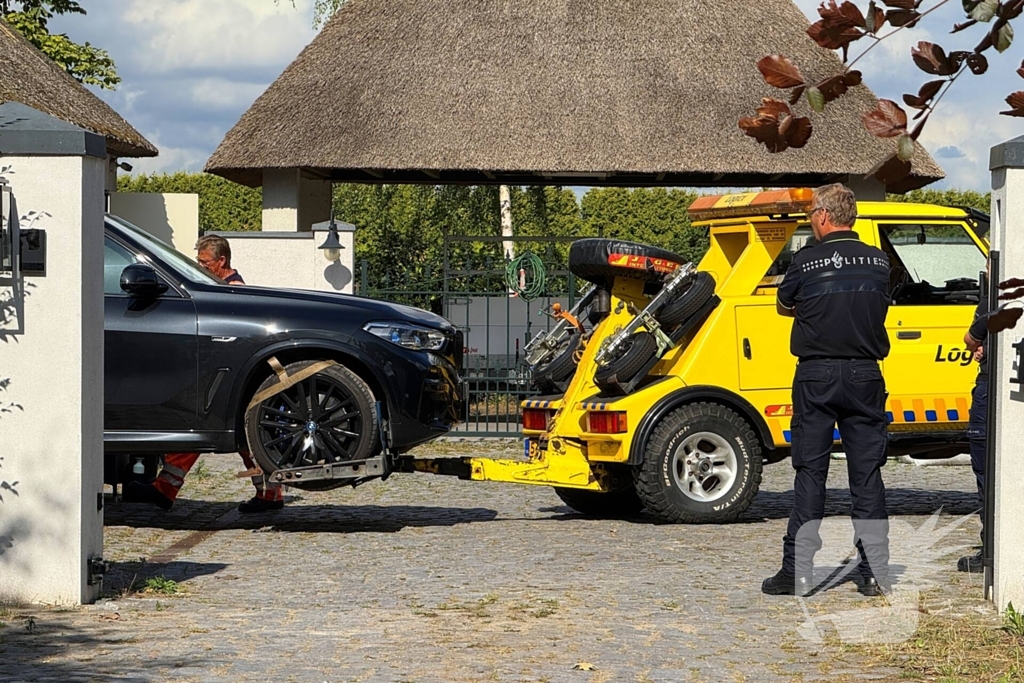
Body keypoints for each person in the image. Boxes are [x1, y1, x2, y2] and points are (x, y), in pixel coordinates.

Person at [762, 183, 893, 598]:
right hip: (865, 375)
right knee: (867, 474)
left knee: (810, 474)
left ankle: (797, 572)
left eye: (810, 216)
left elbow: (784, 305)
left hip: (816, 375)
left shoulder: (805, 261)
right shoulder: (879, 261)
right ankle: (873, 572)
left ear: (822, 215)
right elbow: (880, 304)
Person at [126, 235, 285, 514]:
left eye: (205, 262)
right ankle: (269, 494)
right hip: (228, 374)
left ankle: (167, 488)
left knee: (216, 431)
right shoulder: (226, 288)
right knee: (243, 436)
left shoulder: (232, 290)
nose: (201, 267)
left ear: (221, 261)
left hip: (225, 374)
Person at [958, 272, 989, 572]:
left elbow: (971, 338)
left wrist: (979, 346)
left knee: (985, 472)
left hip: (990, 390)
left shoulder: (995, 300)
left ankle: (991, 547)